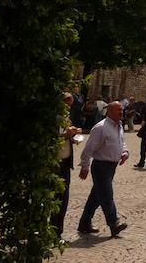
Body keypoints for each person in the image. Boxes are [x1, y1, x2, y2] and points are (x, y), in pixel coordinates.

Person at [77, 101, 130, 237]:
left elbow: (121, 142)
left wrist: (124, 152)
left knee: (96, 196)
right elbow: (88, 149)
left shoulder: (119, 126)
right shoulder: (100, 128)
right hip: (101, 166)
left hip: (112, 167)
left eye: (122, 110)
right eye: (118, 110)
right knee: (107, 195)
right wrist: (84, 166)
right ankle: (114, 223)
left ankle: (84, 223)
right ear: (110, 111)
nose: (121, 112)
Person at [53, 92, 80, 238]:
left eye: (70, 105)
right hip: (54, 163)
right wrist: (66, 133)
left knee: (63, 198)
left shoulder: (65, 118)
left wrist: (73, 136)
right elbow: (54, 135)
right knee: (55, 197)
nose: (68, 108)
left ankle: (57, 231)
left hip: (65, 163)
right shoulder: (54, 117)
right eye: (66, 104)